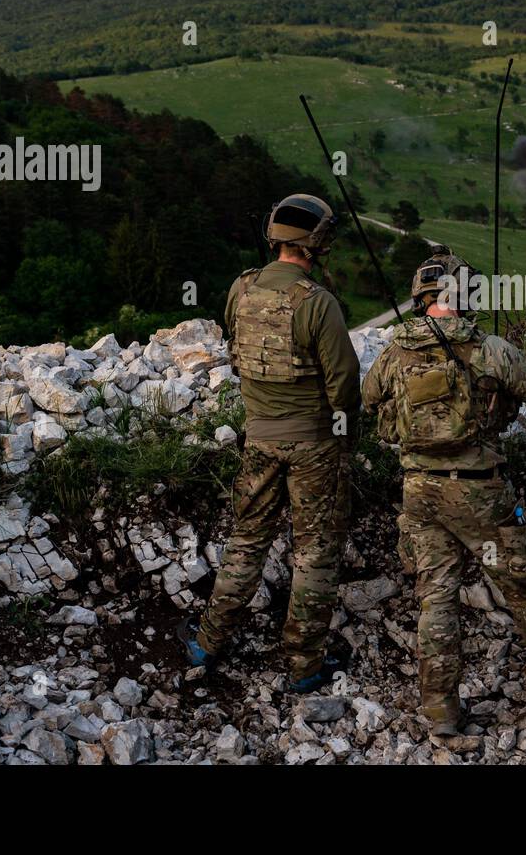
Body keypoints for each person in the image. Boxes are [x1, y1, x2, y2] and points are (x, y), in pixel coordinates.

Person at [362, 248, 526, 740]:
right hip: (478, 492)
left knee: (436, 598)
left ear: (420, 294)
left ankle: (442, 708)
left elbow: (368, 400)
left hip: (419, 492)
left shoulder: (394, 351)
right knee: (519, 583)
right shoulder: (486, 348)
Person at [178, 194, 360, 694]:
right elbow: (344, 385)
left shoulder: (241, 290)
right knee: (315, 551)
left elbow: (237, 356)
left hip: (259, 437)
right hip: (314, 446)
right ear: (317, 244)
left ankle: (209, 642)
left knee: (247, 539)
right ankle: (304, 665)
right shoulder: (318, 303)